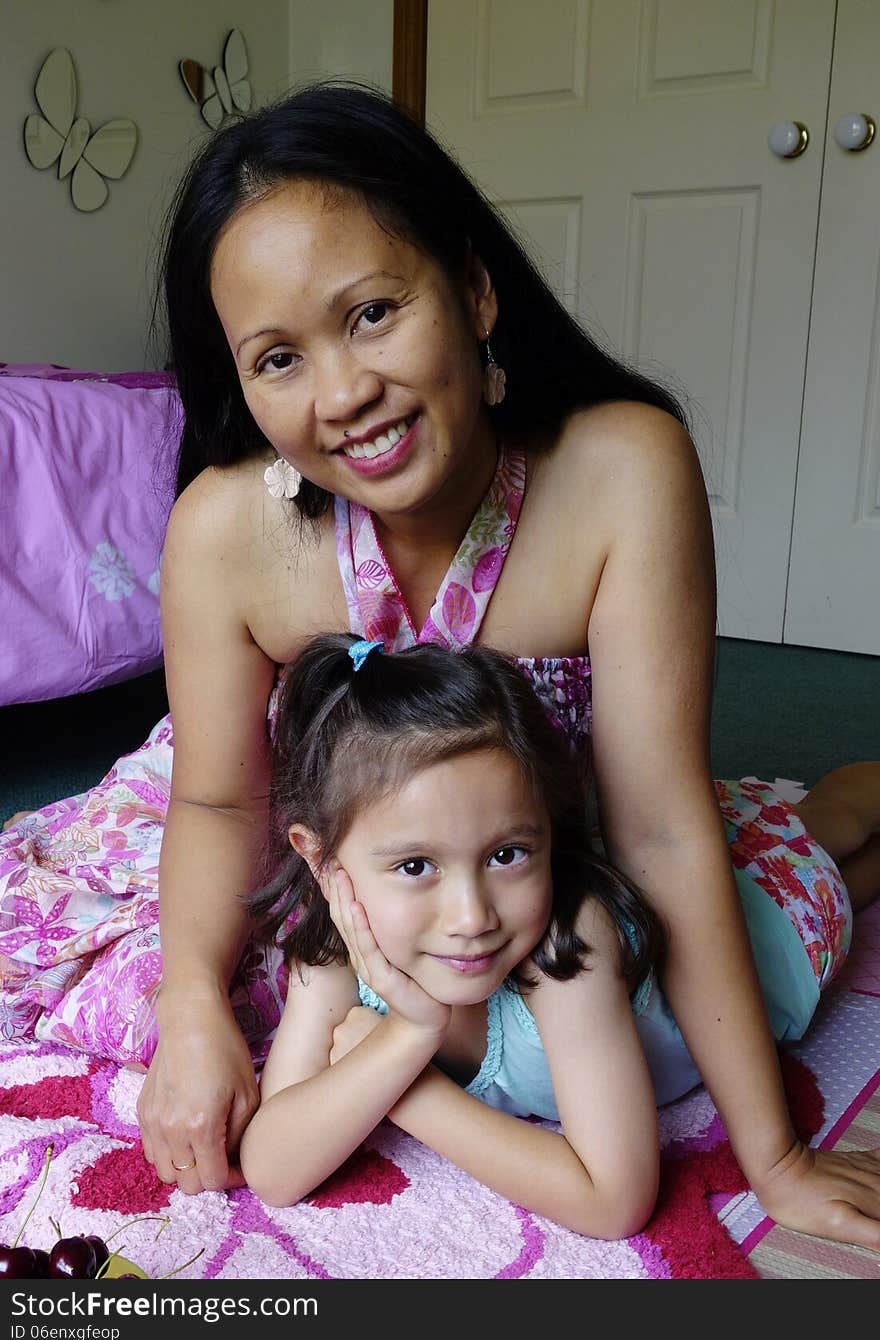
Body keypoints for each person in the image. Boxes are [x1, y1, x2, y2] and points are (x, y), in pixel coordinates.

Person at [0, 81, 877, 1247]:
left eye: (370, 313)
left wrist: (773, 1155)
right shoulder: (223, 527)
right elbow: (220, 794)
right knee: (204, 1000)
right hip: (325, 844)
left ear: (470, 288)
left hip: (554, 841)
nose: (343, 395)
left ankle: (837, 804)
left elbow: (659, 824)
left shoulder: (621, 466)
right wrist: (194, 1001)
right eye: (276, 359)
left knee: (794, 891)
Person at [238, 633, 877, 1239]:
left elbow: (614, 1200)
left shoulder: (566, 946)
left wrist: (413, 1096)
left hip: (774, 926)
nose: (471, 916)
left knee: (830, 835)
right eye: (414, 867)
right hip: (716, 907)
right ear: (322, 861)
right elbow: (272, 1169)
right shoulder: (330, 957)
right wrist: (410, 1034)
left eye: (508, 853)